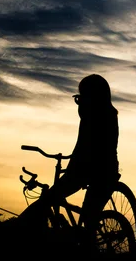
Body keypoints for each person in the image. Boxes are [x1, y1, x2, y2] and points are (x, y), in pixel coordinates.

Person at [16, 74, 120, 237]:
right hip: (90, 168)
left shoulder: (98, 116)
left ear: (93, 97)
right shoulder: (101, 114)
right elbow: (83, 146)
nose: (79, 102)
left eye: (82, 97)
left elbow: (89, 146)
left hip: (100, 171)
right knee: (51, 200)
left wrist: (74, 167)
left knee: (84, 213)